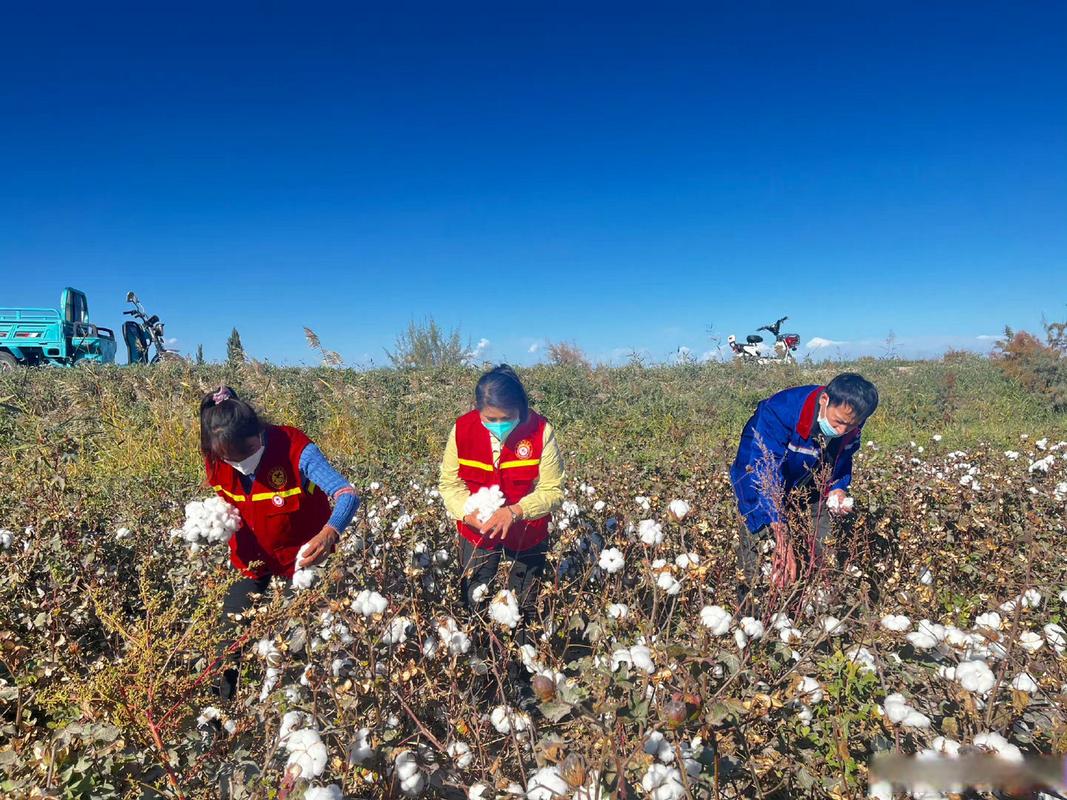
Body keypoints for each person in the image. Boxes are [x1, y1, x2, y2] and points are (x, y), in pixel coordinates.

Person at [199, 385, 358, 700]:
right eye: (229, 458)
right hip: (252, 562)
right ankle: (216, 719)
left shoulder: (295, 449)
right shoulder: (216, 456)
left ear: (258, 433)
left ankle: (291, 709)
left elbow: (346, 494)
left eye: (244, 454)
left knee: (297, 644)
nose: (239, 463)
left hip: (301, 563)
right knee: (226, 644)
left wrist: (330, 532)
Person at [438, 365, 564, 702]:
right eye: (489, 419)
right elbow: (450, 485)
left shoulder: (540, 431)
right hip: (477, 532)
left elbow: (552, 490)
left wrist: (515, 511)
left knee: (523, 608)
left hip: (527, 533)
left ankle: (522, 680)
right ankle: (482, 677)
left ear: (520, 409)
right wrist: (468, 511)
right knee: (475, 602)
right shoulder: (462, 430)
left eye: (506, 418)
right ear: (478, 411)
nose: (497, 426)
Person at [729, 373, 878, 608]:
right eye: (838, 422)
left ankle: (816, 607)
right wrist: (781, 535)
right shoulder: (780, 411)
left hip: (808, 482)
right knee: (759, 550)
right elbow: (764, 473)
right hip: (757, 482)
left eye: (850, 426)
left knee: (825, 548)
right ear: (825, 400)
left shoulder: (851, 419)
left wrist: (838, 487)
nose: (841, 431)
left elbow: (842, 459)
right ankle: (752, 615)